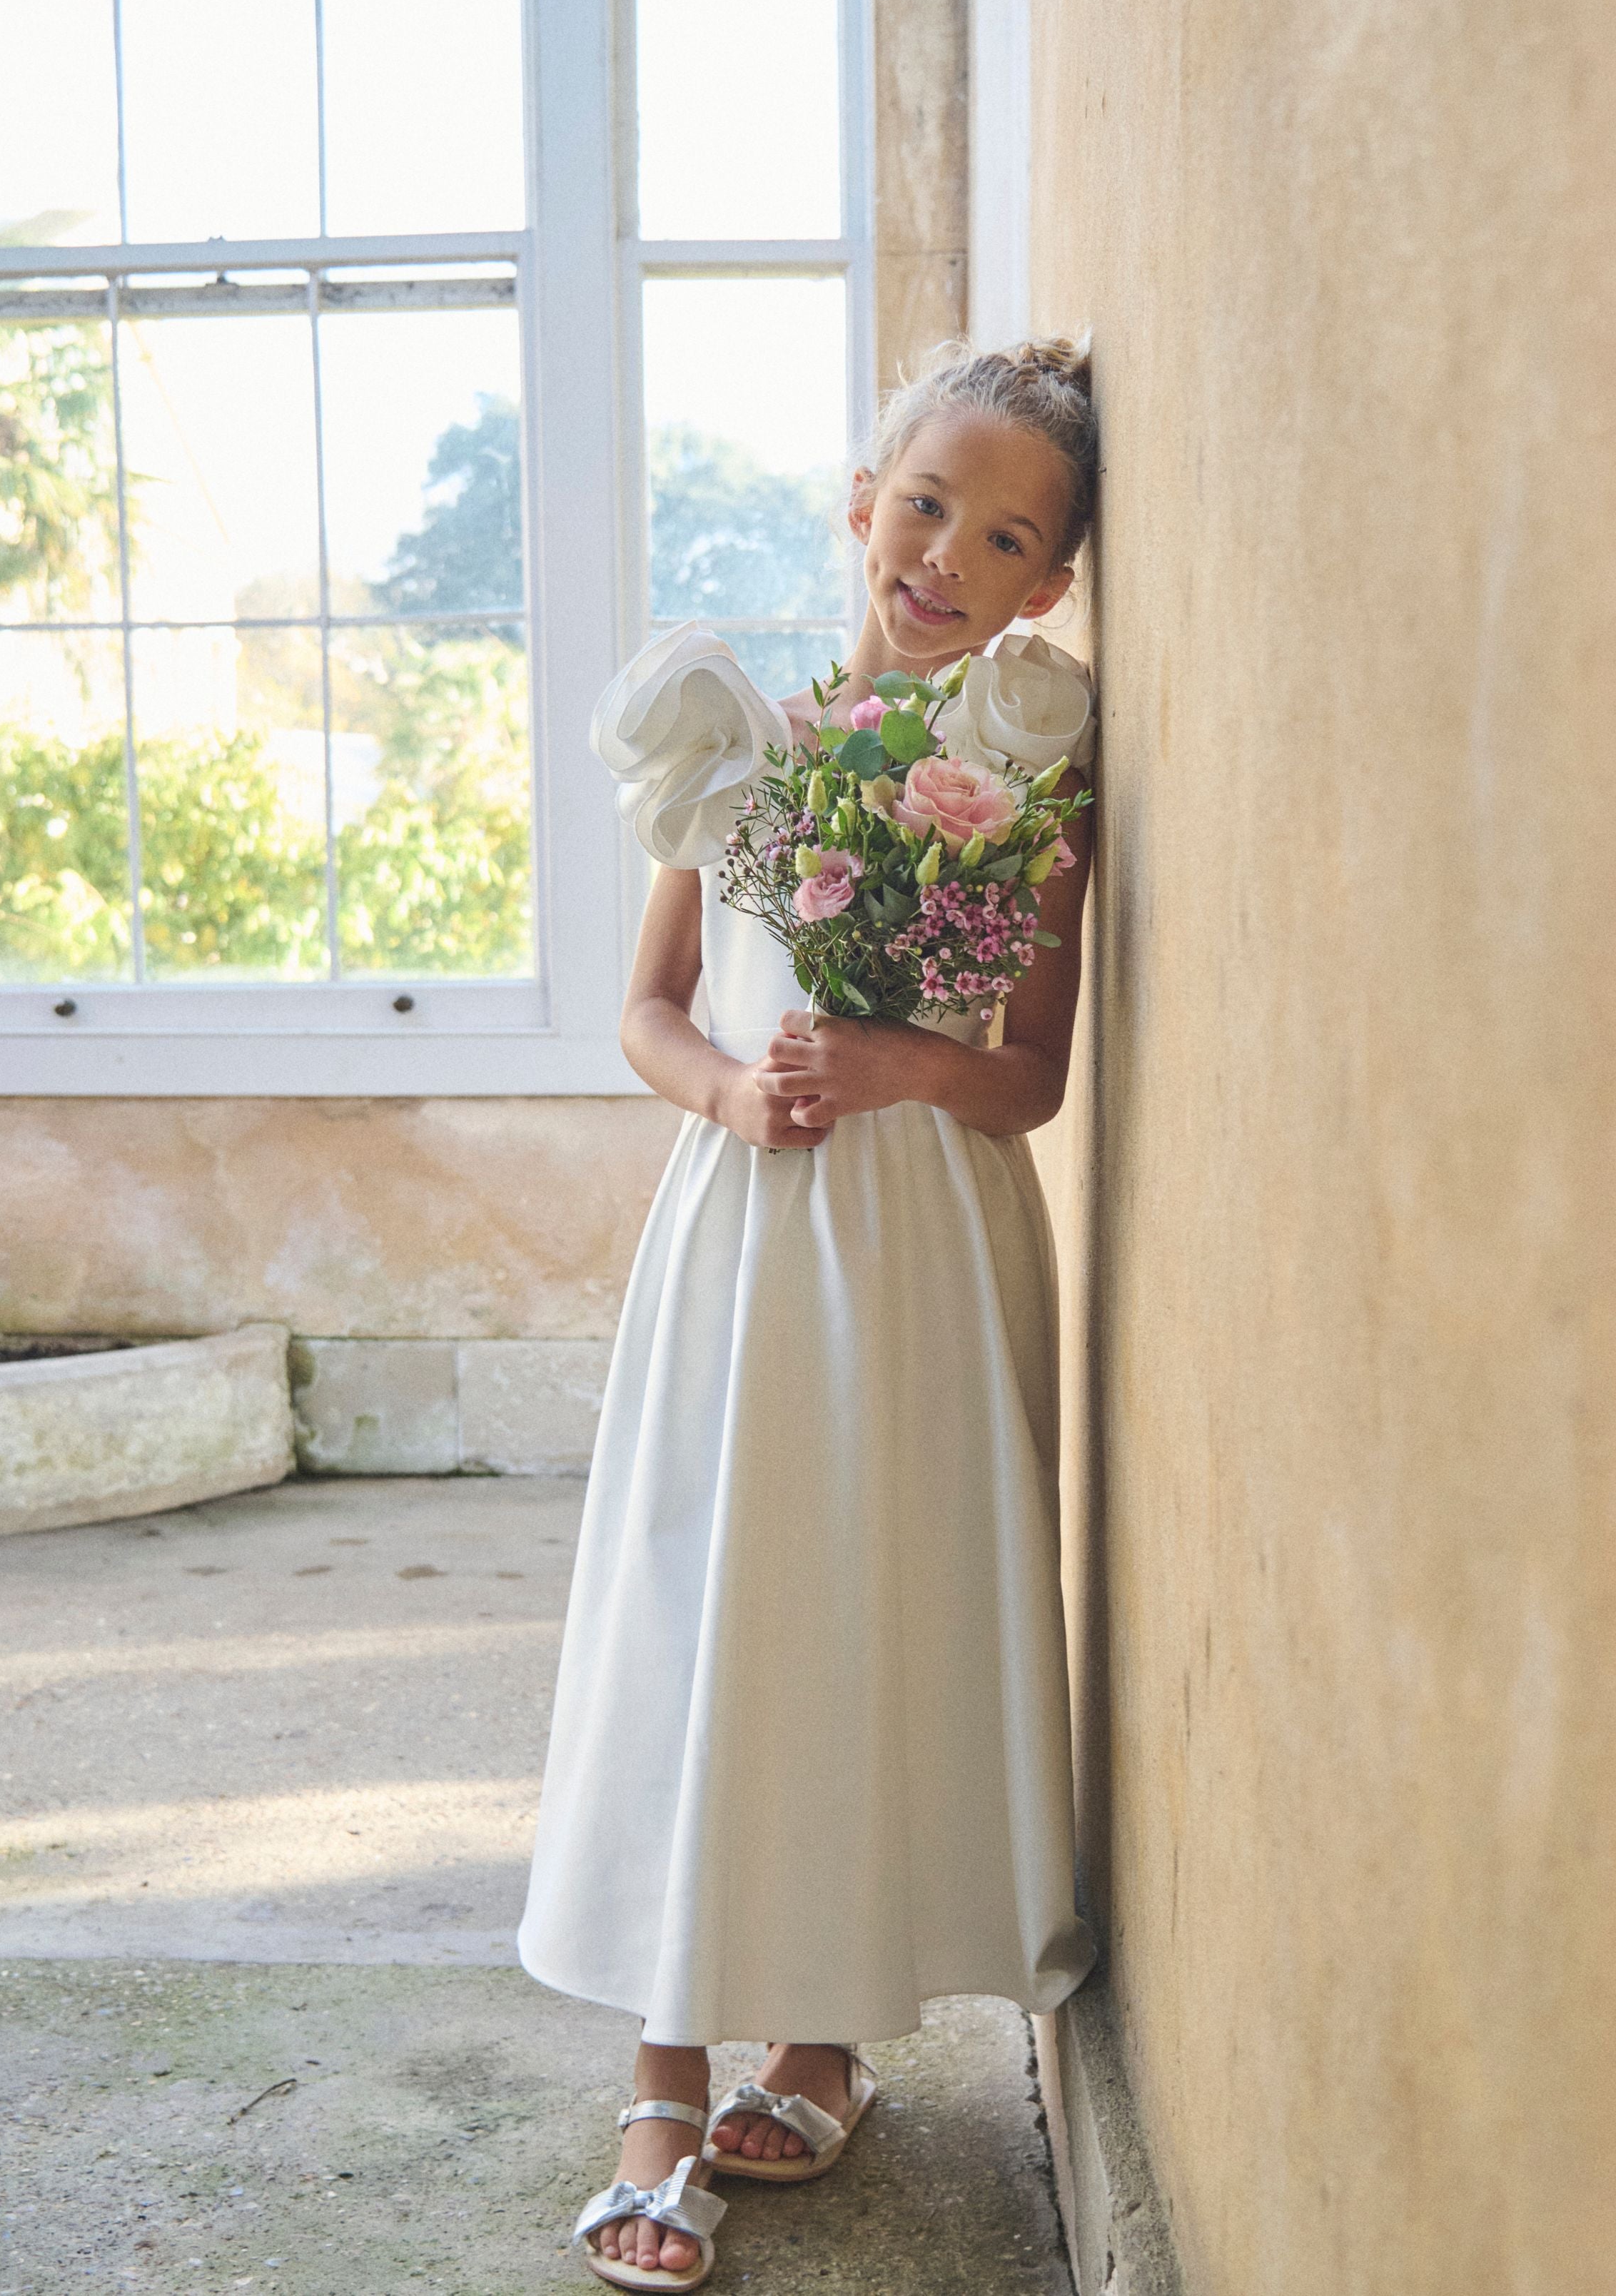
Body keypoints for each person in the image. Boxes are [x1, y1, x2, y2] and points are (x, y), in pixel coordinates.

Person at [518, 337, 1102, 2290]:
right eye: (925, 501)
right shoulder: (740, 743)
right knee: (709, 1607)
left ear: (1051, 584)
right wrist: (730, 1090)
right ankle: (662, 2083)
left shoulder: (1033, 793)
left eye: (1004, 533)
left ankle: (824, 2039)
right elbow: (653, 1009)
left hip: (929, 1242)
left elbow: (1026, 1078)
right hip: (745, 1234)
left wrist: (893, 1065)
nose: (946, 551)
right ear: (861, 507)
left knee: (874, 1607)